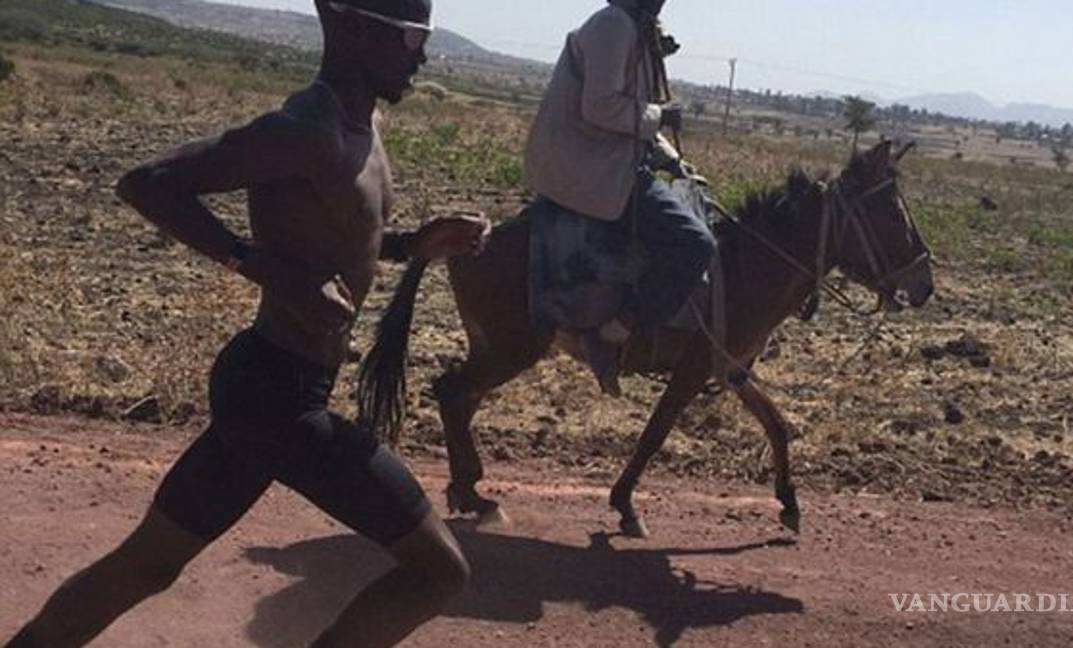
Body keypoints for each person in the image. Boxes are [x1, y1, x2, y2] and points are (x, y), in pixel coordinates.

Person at [5, 1, 490, 646]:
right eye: (409, 36)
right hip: (277, 399)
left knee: (147, 564)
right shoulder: (304, 128)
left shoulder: (364, 126)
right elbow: (147, 182)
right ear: (349, 26)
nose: (422, 53)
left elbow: (342, 238)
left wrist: (412, 244)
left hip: (268, 389)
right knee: (438, 571)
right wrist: (258, 266)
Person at [523, 0, 717, 396]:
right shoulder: (614, 26)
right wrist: (660, 117)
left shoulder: (633, 26)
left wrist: (675, 162)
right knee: (695, 244)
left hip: (608, 161)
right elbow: (602, 107)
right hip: (592, 167)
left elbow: (633, 115)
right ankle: (613, 333)